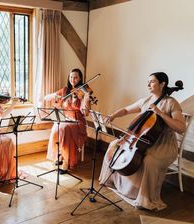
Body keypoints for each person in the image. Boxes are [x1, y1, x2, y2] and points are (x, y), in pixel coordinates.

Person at [99, 72, 186, 211]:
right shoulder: (146, 100)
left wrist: (161, 113)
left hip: (164, 145)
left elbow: (181, 127)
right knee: (113, 145)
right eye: (148, 81)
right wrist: (113, 115)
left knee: (149, 160)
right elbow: (127, 110)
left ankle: (145, 197)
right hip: (145, 141)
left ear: (162, 84)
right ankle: (112, 181)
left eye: (152, 81)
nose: (148, 84)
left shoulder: (171, 103)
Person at [44, 68, 92, 173]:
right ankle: (59, 155)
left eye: (75, 77)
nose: (72, 79)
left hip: (78, 122)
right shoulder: (65, 90)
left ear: (80, 79)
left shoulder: (83, 92)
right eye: (71, 77)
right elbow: (46, 98)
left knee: (64, 128)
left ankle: (66, 160)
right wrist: (55, 96)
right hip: (66, 120)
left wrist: (87, 99)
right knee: (56, 127)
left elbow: (86, 113)